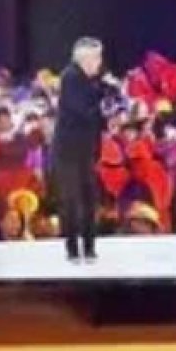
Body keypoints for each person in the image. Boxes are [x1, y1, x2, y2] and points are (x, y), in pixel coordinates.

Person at [50, 37, 112, 262]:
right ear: (86, 59)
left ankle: (89, 247)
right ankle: (72, 249)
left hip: (86, 149)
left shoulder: (90, 80)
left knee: (89, 198)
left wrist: (106, 91)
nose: (100, 62)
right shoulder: (71, 77)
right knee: (71, 200)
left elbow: (95, 108)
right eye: (97, 57)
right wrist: (104, 106)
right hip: (68, 150)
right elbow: (82, 110)